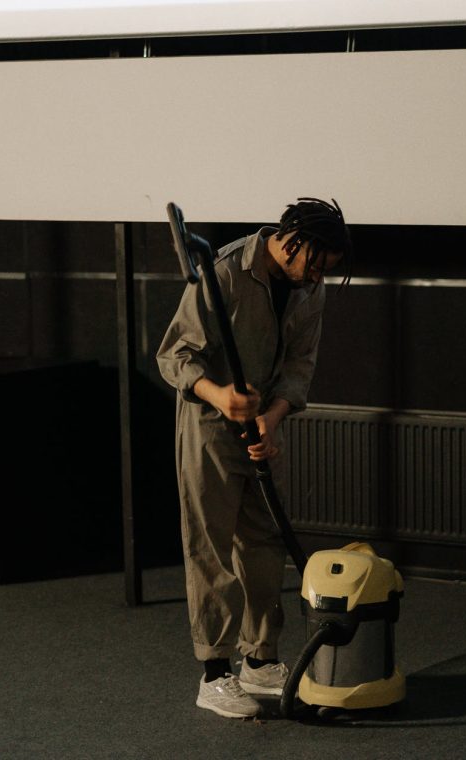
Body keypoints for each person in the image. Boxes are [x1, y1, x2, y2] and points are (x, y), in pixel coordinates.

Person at [156, 197, 352, 719]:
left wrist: (273, 417)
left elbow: (298, 363)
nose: (317, 277)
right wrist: (222, 396)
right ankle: (214, 675)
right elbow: (173, 355)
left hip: (260, 426)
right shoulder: (222, 271)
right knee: (211, 545)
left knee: (265, 542)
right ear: (291, 240)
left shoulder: (312, 288)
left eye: (326, 271)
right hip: (208, 425)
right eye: (314, 264)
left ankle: (260, 661)